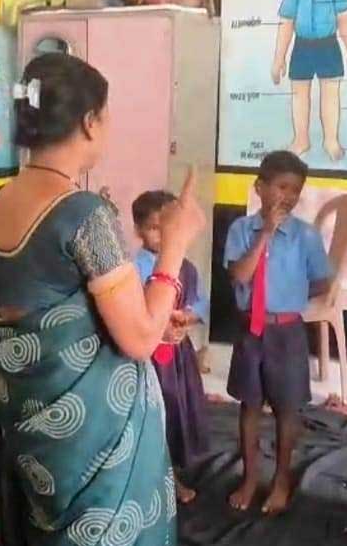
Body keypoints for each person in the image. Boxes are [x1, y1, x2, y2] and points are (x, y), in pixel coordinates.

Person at [0, 52, 206, 545]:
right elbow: (138, 339)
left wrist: (156, 316)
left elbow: (47, 312)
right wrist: (176, 243)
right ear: (90, 122)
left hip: (36, 434)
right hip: (96, 442)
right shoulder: (84, 214)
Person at [224, 150, 330, 515]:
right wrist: (266, 233)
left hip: (287, 332)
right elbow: (240, 275)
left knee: (287, 408)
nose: (288, 196)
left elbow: (321, 282)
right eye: (281, 187)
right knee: (249, 405)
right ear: (259, 187)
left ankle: (281, 480)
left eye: (295, 190)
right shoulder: (241, 230)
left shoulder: (306, 236)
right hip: (250, 329)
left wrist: (290, 297)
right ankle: (250, 478)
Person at [132, 189, 211, 504]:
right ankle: (162, 480)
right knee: (154, 414)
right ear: (139, 230)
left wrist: (187, 317)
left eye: (168, 228)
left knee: (178, 410)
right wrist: (159, 326)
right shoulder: (135, 268)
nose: (163, 236)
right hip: (149, 357)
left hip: (179, 355)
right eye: (154, 228)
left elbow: (201, 303)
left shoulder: (187, 267)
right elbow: (134, 311)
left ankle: (172, 471)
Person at [273, 0, 347, 160]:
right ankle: (301, 140)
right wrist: (279, 57)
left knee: (331, 94)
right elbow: (286, 24)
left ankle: (331, 140)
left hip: (328, 45)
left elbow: (345, 20)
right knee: (299, 94)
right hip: (302, 46)